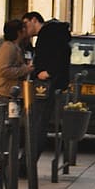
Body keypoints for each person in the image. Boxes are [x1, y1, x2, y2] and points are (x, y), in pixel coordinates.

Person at [22, 12, 71, 153]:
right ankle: (28, 161)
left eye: (26, 24)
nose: (25, 29)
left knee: (38, 123)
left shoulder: (47, 34)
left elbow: (60, 55)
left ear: (34, 20)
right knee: (38, 123)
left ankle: (28, 162)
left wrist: (48, 72)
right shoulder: (51, 34)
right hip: (50, 83)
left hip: (46, 85)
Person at [0, 18, 32, 103]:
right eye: (24, 28)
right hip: (2, 92)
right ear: (19, 32)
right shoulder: (8, 47)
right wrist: (26, 69)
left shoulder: (19, 46)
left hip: (11, 92)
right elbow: (4, 70)